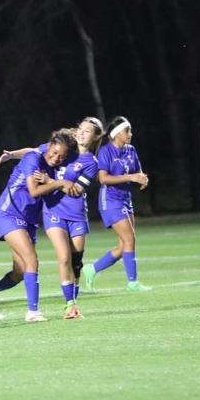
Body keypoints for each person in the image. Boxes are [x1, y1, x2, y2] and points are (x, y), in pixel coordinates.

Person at [0, 117, 102, 319]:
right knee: (49, 259)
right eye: (81, 129)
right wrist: (12, 155)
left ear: (95, 137)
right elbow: (33, 154)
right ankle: (34, 311)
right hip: (35, 212)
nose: (82, 133)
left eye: (87, 131)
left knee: (26, 270)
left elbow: (75, 189)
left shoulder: (84, 159)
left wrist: (52, 181)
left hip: (49, 216)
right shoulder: (52, 150)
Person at [0, 129, 77, 322]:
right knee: (32, 260)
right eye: (54, 153)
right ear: (49, 146)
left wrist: (12, 155)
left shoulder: (50, 153)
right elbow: (34, 191)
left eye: (61, 156)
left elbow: (31, 149)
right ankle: (33, 312)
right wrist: (60, 183)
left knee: (20, 272)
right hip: (10, 212)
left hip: (30, 219)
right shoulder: (33, 159)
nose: (56, 158)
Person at [82, 116, 151, 292]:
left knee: (124, 245)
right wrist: (131, 177)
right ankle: (133, 283)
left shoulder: (131, 150)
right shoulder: (106, 151)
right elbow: (103, 178)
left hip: (126, 200)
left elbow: (138, 171)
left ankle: (92, 269)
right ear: (116, 133)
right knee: (129, 239)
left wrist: (142, 178)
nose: (130, 133)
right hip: (110, 201)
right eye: (127, 130)